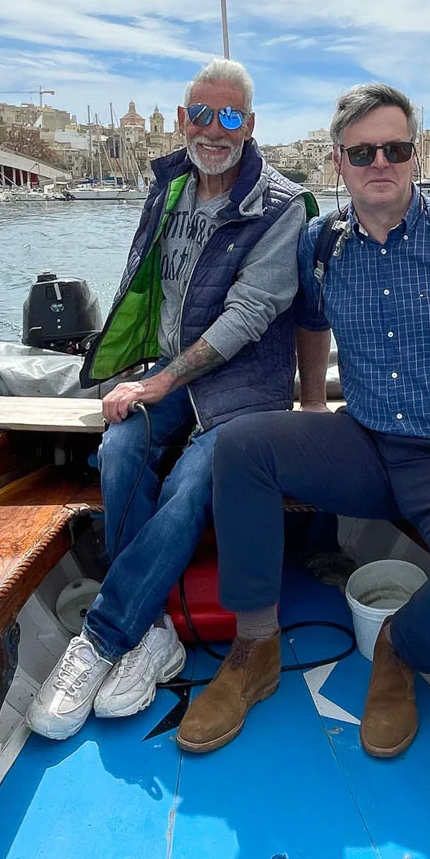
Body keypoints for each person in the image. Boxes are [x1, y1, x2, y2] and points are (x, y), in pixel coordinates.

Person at [177, 82, 430, 758]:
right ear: (338, 163)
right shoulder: (322, 244)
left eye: (394, 148)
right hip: (365, 441)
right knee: (240, 448)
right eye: (361, 153)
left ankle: (400, 649)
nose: (378, 162)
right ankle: (255, 646)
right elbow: (311, 323)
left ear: (415, 155)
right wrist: (314, 406)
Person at [27, 59, 313, 740]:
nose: (215, 130)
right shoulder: (170, 185)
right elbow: (146, 286)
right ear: (183, 119)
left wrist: (156, 382)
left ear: (251, 125)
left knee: (191, 482)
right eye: (201, 115)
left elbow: (247, 316)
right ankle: (153, 632)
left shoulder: (280, 207)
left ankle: (101, 637)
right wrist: (128, 372)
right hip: (171, 372)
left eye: (231, 117)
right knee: (120, 446)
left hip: (243, 388)